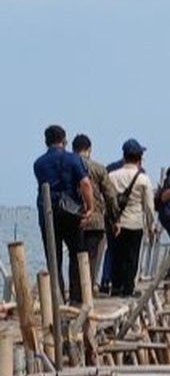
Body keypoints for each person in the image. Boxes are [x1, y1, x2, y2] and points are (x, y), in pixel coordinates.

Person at [33, 124, 93, 303]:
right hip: (70, 211)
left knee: (54, 257)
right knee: (76, 254)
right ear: (64, 140)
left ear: (46, 142)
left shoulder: (38, 163)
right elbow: (85, 184)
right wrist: (90, 208)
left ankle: (57, 299)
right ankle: (76, 298)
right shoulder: (73, 159)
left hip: (48, 213)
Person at [72, 134, 119, 290]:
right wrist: (114, 219)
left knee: (74, 259)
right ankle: (88, 292)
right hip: (95, 220)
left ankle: (74, 293)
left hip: (74, 220)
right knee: (92, 259)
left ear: (73, 149)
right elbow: (110, 196)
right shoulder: (99, 168)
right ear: (90, 149)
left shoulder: (68, 166)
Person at [108, 138, 155, 297]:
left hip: (116, 223)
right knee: (131, 257)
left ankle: (115, 287)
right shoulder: (143, 178)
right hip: (135, 223)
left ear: (124, 156)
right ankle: (128, 289)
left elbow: (108, 200)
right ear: (139, 158)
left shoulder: (112, 176)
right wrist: (151, 226)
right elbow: (149, 205)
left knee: (116, 256)